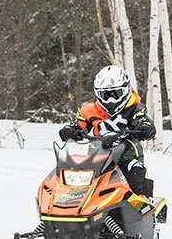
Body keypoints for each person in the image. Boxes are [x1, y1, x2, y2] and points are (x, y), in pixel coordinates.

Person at [58, 65, 157, 200]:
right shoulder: (90, 110)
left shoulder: (135, 109)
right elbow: (78, 124)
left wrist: (146, 128)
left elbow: (142, 120)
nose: (111, 100)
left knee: (133, 168)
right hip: (98, 153)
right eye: (106, 95)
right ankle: (68, 201)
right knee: (75, 171)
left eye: (115, 94)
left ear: (126, 90)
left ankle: (143, 200)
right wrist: (70, 130)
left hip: (126, 152)